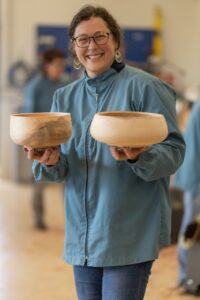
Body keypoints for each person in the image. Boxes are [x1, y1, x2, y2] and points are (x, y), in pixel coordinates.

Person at [25, 5, 185, 299]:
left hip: (128, 235)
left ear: (115, 40)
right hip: (82, 239)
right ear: (73, 47)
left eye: (100, 36)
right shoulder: (65, 97)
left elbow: (173, 153)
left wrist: (139, 155)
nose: (92, 46)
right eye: (82, 39)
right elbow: (62, 168)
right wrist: (50, 160)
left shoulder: (147, 87)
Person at [22, 48, 66, 230]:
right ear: (47, 65)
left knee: (66, 181)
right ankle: (39, 219)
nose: (60, 69)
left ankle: (71, 218)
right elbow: (29, 117)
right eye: (57, 65)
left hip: (61, 140)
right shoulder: (35, 86)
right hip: (40, 141)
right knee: (39, 183)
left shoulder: (65, 85)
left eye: (62, 65)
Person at [173, 98, 200, 290]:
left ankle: (190, 278)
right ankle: (189, 280)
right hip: (196, 178)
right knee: (193, 228)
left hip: (193, 175)